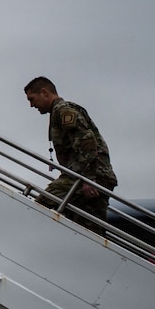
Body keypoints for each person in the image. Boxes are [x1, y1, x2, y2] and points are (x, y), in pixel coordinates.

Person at [23, 77, 117, 225]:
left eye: (32, 99)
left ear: (44, 92)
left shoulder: (63, 110)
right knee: (88, 229)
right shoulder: (58, 112)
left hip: (87, 175)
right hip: (92, 175)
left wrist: (89, 179)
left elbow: (86, 140)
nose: (31, 105)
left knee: (41, 204)